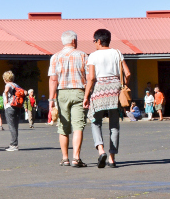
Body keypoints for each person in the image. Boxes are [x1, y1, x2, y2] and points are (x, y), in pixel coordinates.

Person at [85, 28, 130, 169]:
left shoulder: (93, 56)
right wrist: (123, 85)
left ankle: (101, 150)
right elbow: (127, 73)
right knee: (114, 125)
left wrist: (86, 96)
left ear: (98, 41)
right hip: (115, 89)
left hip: (99, 89)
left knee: (95, 121)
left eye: (94, 41)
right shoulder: (117, 53)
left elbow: (91, 78)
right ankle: (112, 158)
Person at [49, 31, 89, 167]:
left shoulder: (55, 57)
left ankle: (65, 158)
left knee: (63, 126)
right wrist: (88, 95)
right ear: (74, 41)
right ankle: (76, 158)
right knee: (78, 126)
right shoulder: (83, 55)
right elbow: (89, 78)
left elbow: (53, 79)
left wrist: (51, 99)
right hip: (79, 91)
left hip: (62, 93)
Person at [0, 71, 27, 152]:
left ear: (5, 79)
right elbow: (25, 92)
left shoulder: (8, 85)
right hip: (17, 106)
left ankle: (13, 145)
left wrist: (6, 99)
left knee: (11, 126)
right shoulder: (16, 85)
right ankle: (14, 143)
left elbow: (6, 90)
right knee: (15, 126)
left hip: (10, 106)